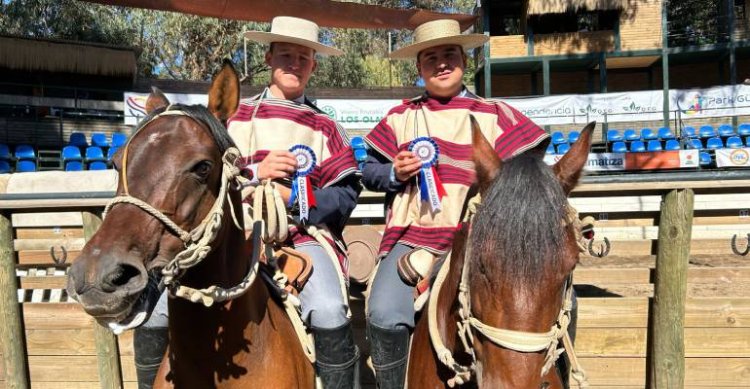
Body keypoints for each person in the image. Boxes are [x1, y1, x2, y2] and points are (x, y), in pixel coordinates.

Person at [362, 19, 577, 388]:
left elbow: (529, 175)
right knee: (383, 313)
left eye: (450, 54)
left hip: (485, 241)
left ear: (464, 60)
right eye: (431, 57)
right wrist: (394, 173)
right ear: (418, 66)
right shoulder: (400, 116)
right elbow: (369, 173)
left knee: (562, 300)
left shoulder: (496, 114)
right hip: (413, 237)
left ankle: (560, 374)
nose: (441, 63)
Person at [227, 16, 362, 389]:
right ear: (268, 58)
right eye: (285, 55)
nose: (294, 64)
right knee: (163, 308)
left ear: (313, 65)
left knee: (330, 309)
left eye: (303, 58)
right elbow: (208, 181)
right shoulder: (235, 117)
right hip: (236, 233)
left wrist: (295, 196)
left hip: (302, 238)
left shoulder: (326, 127)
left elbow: (345, 196)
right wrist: (256, 173)